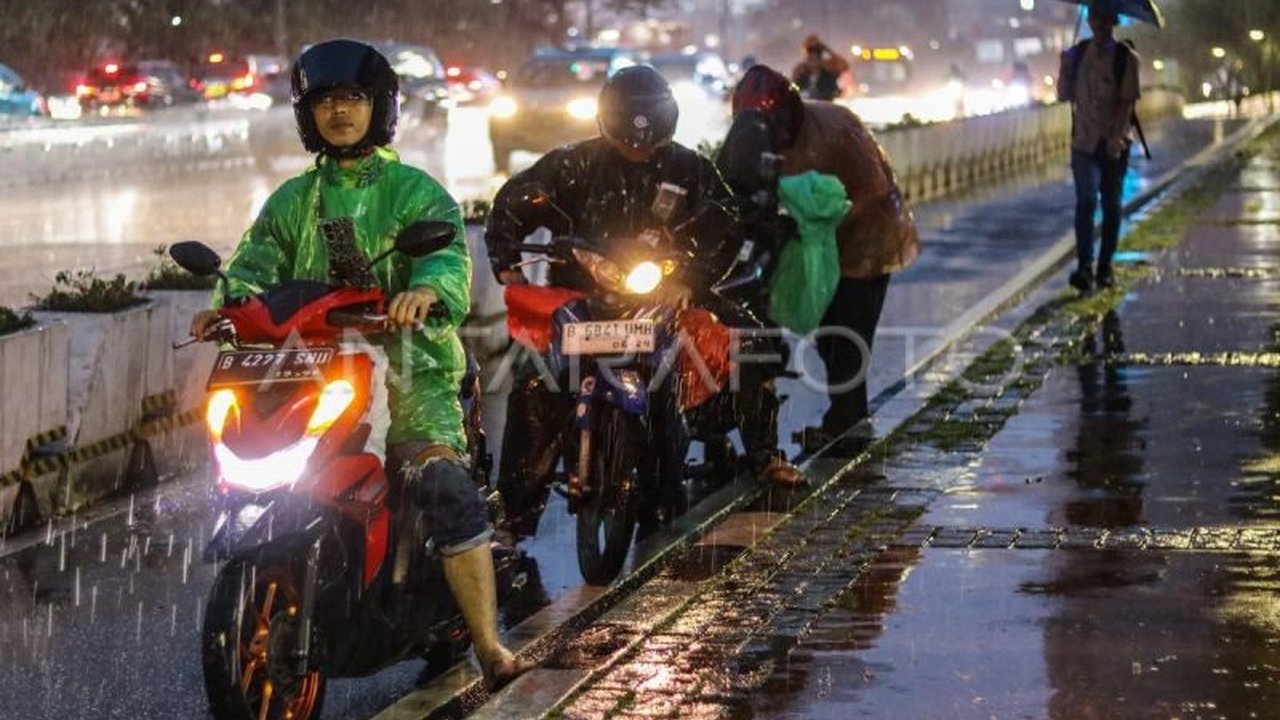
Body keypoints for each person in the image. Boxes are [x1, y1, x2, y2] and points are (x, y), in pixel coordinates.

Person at [188, 39, 531, 690]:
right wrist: (224, 306)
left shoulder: (414, 191)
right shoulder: (292, 200)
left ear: (380, 110)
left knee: (442, 486)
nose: (340, 113)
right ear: (305, 113)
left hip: (411, 370)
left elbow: (446, 260)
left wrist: (426, 293)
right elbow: (254, 267)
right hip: (312, 367)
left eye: (353, 99)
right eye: (325, 101)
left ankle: (489, 645)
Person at [485, 64, 804, 542]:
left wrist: (692, 280)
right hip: (580, 299)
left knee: (747, 341)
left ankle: (765, 455)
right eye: (626, 139)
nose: (637, 148)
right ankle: (513, 518)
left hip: (666, 291)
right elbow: (516, 202)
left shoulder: (690, 168)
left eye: (647, 140)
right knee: (535, 386)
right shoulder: (572, 164)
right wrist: (505, 257)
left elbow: (725, 223)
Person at [727, 64, 919, 449]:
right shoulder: (751, 138)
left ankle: (847, 428)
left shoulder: (837, 129)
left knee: (846, 336)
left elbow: (875, 192)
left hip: (866, 242)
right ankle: (838, 421)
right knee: (822, 334)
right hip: (807, 246)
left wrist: (824, 221)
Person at [1056, 2, 1140, 292]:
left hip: (1113, 144)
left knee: (1112, 206)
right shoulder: (1077, 55)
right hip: (1083, 143)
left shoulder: (1125, 58)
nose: (1100, 24)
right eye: (1095, 18)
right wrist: (1064, 67)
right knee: (1086, 200)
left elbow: (1127, 102)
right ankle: (1084, 267)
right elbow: (1064, 96)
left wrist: (1117, 137)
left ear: (1113, 22)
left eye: (1105, 19)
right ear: (1089, 21)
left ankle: (1105, 267)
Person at [791, 34, 849, 102]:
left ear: (820, 60)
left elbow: (844, 65)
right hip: (806, 105)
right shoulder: (801, 71)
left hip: (825, 105)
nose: (812, 62)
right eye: (810, 59)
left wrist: (826, 49)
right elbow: (793, 87)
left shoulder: (828, 72)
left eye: (815, 59)